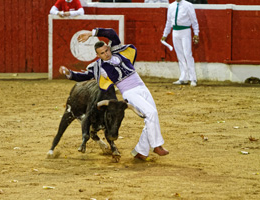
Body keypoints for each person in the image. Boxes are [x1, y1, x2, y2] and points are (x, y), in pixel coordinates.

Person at [60, 28, 169, 160]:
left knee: (151, 116)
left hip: (141, 86)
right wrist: (69, 74)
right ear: (98, 55)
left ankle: (141, 151)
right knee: (151, 114)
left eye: (106, 50)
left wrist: (92, 33)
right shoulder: (99, 67)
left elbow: (111, 33)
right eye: (102, 53)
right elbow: (83, 76)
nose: (106, 54)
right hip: (129, 92)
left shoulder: (117, 51)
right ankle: (156, 145)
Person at [161, 0, 199, 87]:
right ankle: (183, 77)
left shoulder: (188, 5)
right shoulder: (171, 6)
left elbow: (194, 20)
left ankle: (193, 78)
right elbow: (169, 22)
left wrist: (196, 33)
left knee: (187, 54)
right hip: (175, 31)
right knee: (180, 55)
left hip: (185, 31)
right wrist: (165, 34)